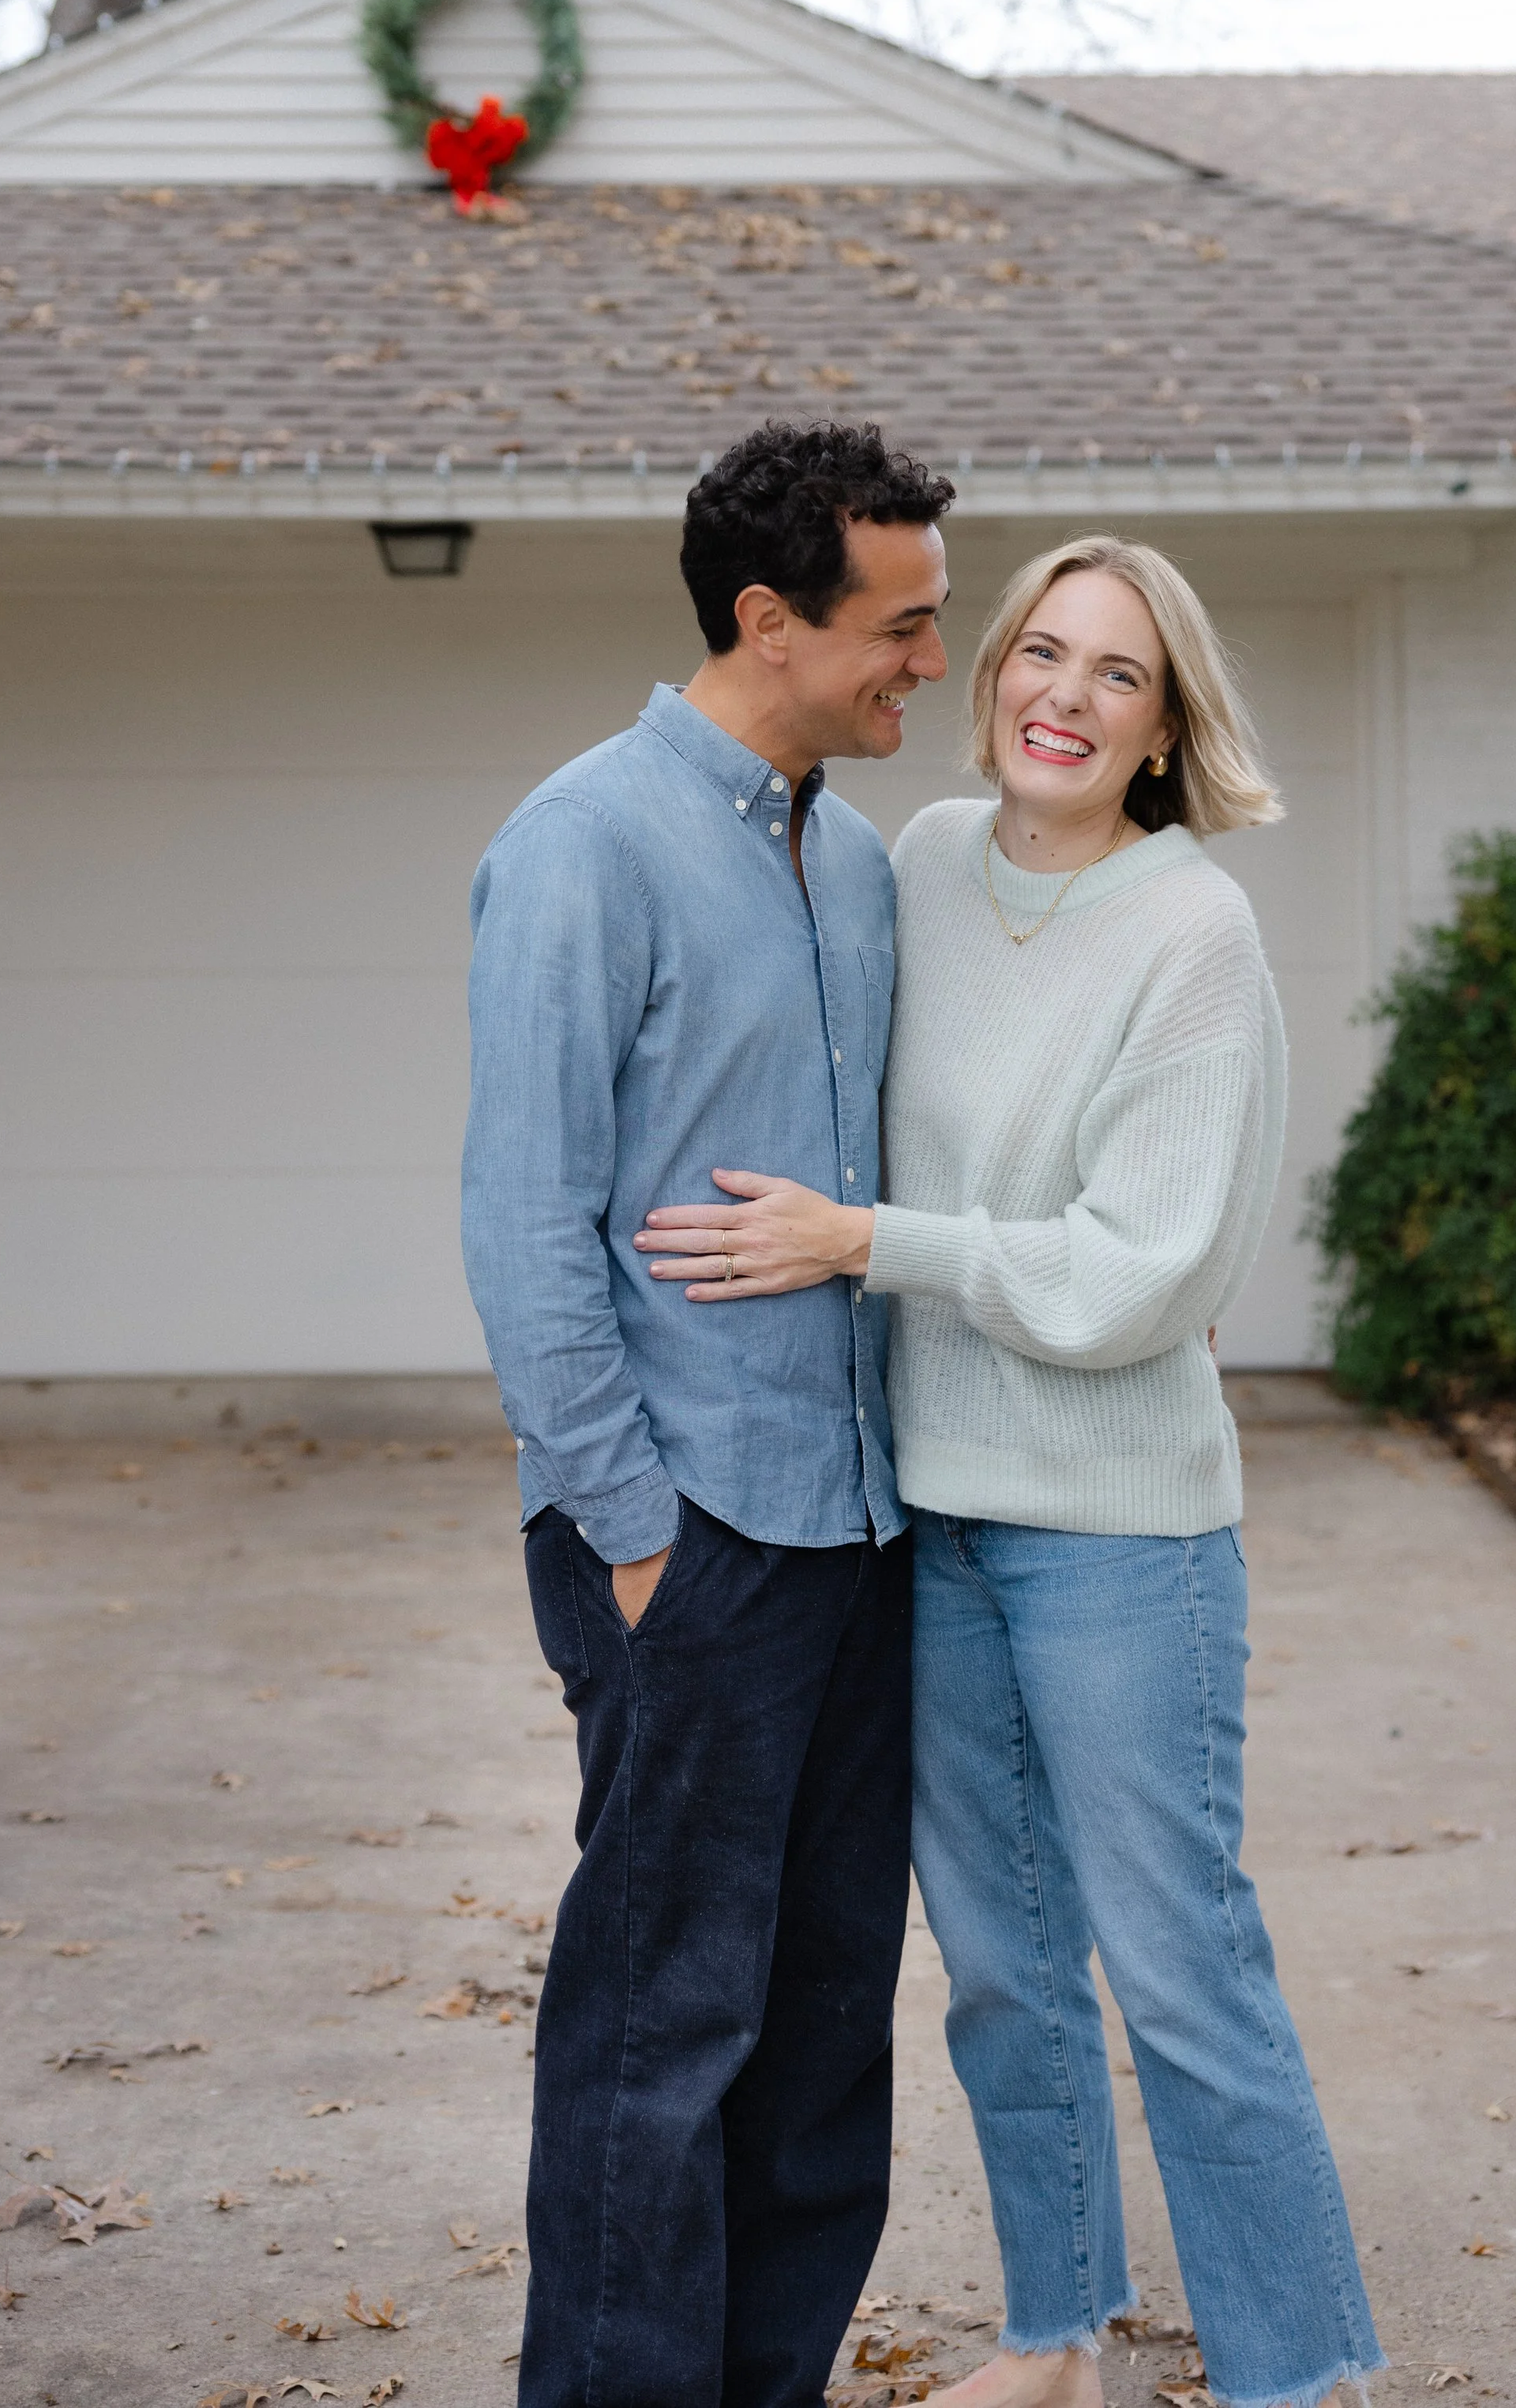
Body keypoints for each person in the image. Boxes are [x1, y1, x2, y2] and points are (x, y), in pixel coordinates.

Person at [637, 535, 1386, 2408]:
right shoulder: (922, 868)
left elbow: (1146, 1275)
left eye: (1113, 674)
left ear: (1160, 726)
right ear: (987, 684)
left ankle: (1305, 2377)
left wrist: (873, 1243)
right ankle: (1060, 2339)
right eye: (1035, 654)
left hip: (1120, 1534)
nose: (1061, 694)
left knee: (1180, 1972)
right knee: (994, 1968)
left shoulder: (1190, 931)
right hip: (935, 1515)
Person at [461, 419, 954, 2408]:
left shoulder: (850, 856)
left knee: (824, 2037)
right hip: (695, 1539)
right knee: (657, 2041)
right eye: (901, 627)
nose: (935, 663)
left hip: (859, 1536)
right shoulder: (584, 842)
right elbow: (523, 1220)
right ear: (770, 619)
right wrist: (636, 1534)